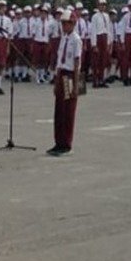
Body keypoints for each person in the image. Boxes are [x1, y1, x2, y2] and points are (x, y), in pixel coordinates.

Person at [47, 9, 85, 157]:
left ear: (73, 24)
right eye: (62, 23)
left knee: (68, 111)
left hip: (70, 76)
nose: (63, 26)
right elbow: (58, 62)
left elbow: (77, 63)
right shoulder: (63, 38)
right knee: (59, 110)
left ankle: (66, 144)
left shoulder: (76, 39)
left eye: (66, 23)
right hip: (62, 74)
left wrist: (76, 85)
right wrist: (56, 82)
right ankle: (58, 142)